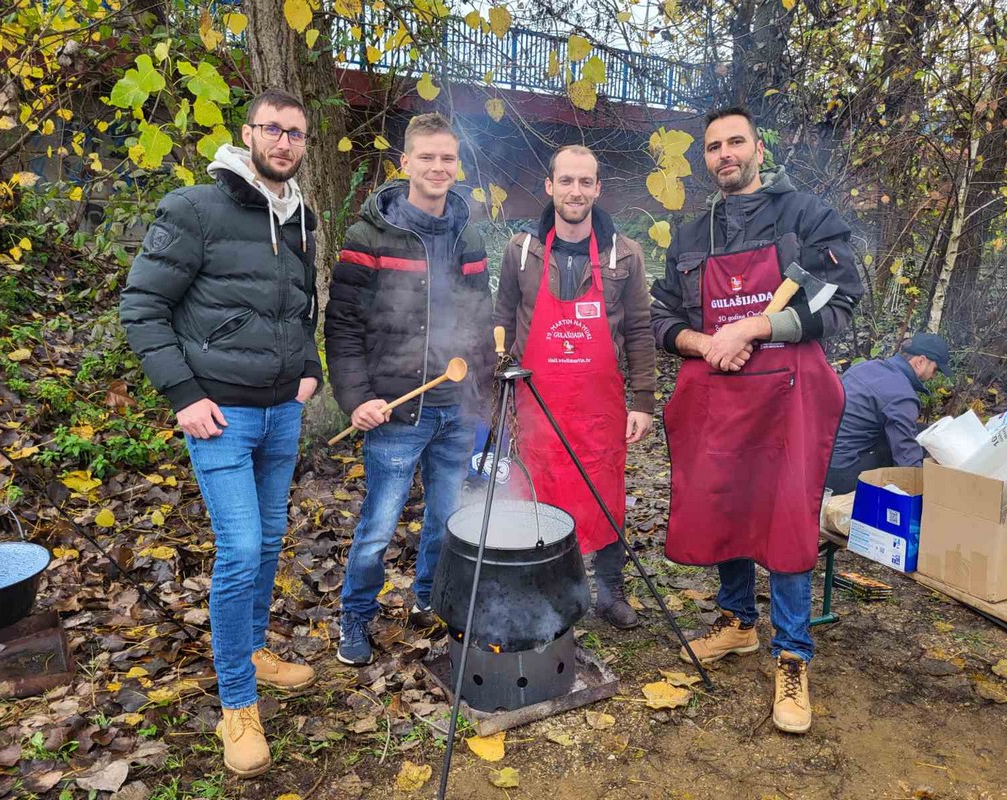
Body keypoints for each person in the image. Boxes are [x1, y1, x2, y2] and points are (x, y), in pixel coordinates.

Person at [120, 89, 321, 778]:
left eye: (295, 134)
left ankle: (253, 650)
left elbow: (301, 305)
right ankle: (236, 703)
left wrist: (310, 369)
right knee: (239, 548)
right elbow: (143, 304)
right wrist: (183, 395)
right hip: (221, 418)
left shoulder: (300, 217)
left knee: (268, 539)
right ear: (248, 134)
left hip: (281, 413)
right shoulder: (193, 208)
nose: (284, 143)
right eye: (273, 130)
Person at [650, 105, 864, 734]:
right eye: (714, 146)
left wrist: (756, 325)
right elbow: (663, 318)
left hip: (788, 399)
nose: (725, 154)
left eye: (735, 142)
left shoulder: (808, 218)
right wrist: (706, 344)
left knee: (788, 521)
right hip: (718, 398)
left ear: (759, 148)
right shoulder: (691, 235)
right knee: (725, 505)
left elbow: (839, 297)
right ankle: (738, 621)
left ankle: (793, 655)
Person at [325, 112, 494, 666]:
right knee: (377, 527)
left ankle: (429, 600)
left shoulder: (468, 234)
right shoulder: (369, 234)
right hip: (397, 413)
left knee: (447, 522)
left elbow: (479, 317)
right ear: (406, 163)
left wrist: (485, 392)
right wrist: (356, 399)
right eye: (427, 157)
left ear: (458, 165)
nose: (438, 167)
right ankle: (356, 616)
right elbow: (344, 325)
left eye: (448, 158)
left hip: (455, 408)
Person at [493, 145, 655, 629]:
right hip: (537, 403)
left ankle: (609, 592)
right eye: (566, 181)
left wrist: (643, 400)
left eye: (586, 182)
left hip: (599, 406)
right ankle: (543, 592)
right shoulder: (521, 251)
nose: (575, 191)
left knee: (605, 492)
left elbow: (641, 330)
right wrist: (496, 389)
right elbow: (501, 322)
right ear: (550, 186)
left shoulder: (623, 255)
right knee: (535, 492)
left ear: (598, 189)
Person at [826, 333, 952, 494]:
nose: (934, 376)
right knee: (919, 443)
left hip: (820, 458)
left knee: (919, 430)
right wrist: (925, 494)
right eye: (935, 370)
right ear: (920, 361)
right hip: (841, 473)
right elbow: (907, 456)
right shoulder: (902, 394)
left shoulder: (865, 367)